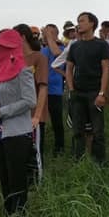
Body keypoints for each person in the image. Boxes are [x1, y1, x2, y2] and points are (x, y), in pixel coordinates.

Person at [0, 29, 37, 216]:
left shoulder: (23, 70)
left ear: (10, 47)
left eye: (0, 46)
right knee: (5, 178)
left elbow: (30, 100)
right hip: (1, 132)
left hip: (17, 132)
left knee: (17, 180)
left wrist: (2, 112)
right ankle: (9, 214)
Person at [65, 12, 109, 164]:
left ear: (92, 24)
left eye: (82, 21)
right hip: (77, 93)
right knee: (77, 131)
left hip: (94, 93)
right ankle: (78, 162)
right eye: (78, 21)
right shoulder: (75, 46)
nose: (79, 24)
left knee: (97, 131)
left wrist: (102, 93)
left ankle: (100, 164)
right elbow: (69, 69)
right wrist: (71, 90)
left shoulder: (101, 45)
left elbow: (105, 70)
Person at [13, 24, 48, 185]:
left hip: (33, 114)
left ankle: (37, 185)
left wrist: (38, 115)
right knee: (19, 151)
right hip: (16, 113)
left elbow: (42, 87)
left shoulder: (38, 58)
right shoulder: (12, 59)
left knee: (34, 152)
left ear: (22, 37)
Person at [40, 24, 66, 157]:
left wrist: (50, 37)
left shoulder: (61, 48)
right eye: (44, 33)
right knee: (40, 120)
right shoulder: (42, 49)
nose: (45, 35)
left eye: (49, 33)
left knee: (57, 121)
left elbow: (57, 54)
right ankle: (39, 147)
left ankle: (59, 148)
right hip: (41, 90)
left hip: (54, 90)